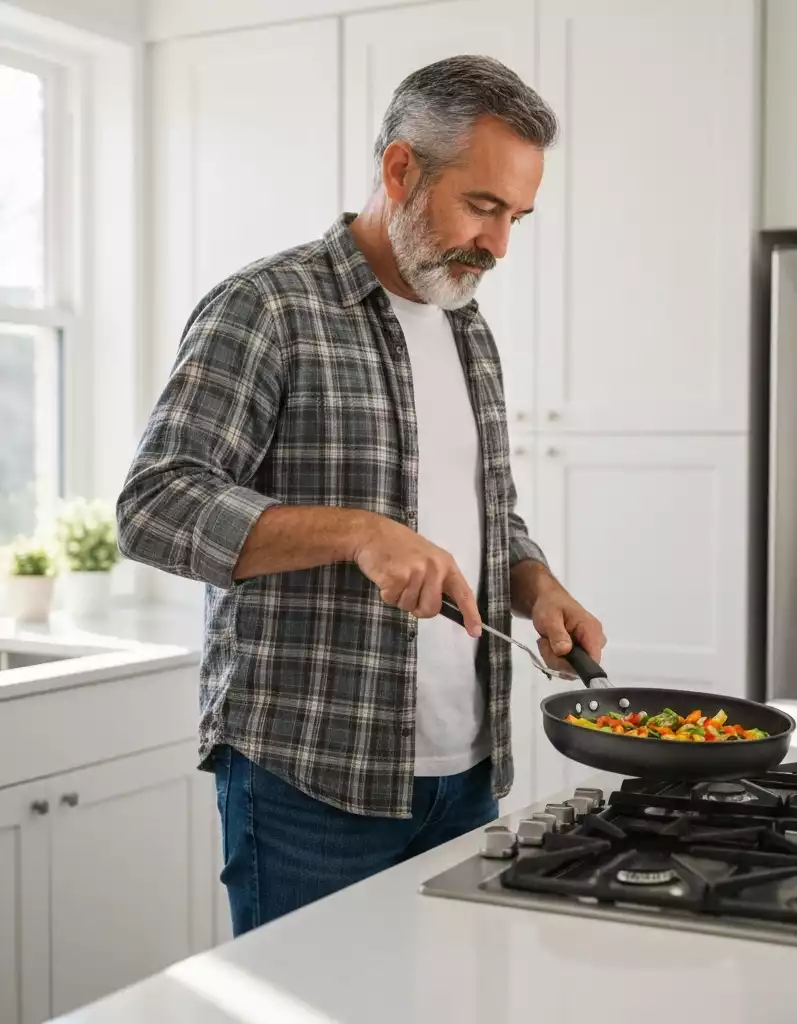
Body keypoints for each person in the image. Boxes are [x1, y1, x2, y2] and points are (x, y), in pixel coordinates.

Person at [116, 55, 605, 936]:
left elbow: (485, 509)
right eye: (483, 207)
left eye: (516, 217)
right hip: (312, 777)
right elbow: (155, 507)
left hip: (466, 773)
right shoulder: (266, 307)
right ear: (400, 170)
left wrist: (538, 587)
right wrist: (356, 533)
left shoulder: (466, 322)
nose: (498, 246)